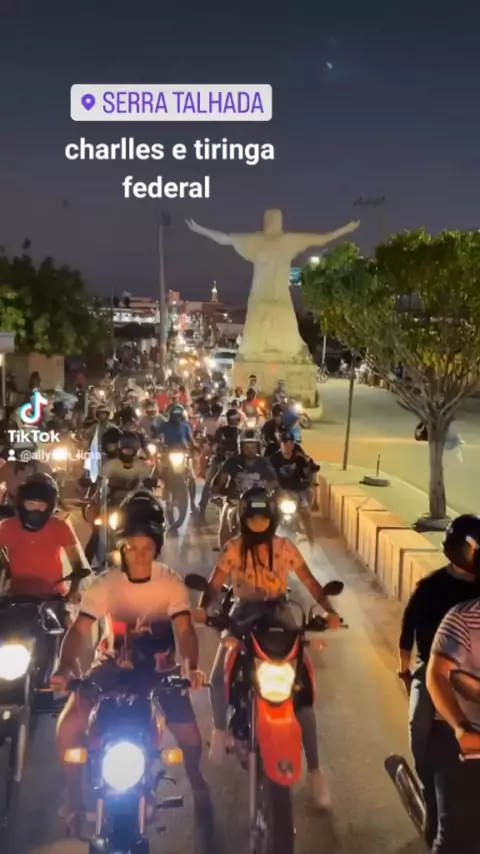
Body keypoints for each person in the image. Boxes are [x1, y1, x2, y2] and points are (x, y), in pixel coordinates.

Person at [51, 491, 208, 826]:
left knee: (192, 739)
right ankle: (73, 796)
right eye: (132, 547)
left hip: (160, 672)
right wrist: (64, 669)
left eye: (147, 547)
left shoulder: (170, 583)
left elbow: (185, 631)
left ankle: (197, 780)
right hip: (110, 668)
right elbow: (79, 631)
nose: (139, 555)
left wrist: (191, 667)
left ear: (157, 547)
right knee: (68, 727)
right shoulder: (104, 584)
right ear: (121, 548)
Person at [198, 486, 340, 808]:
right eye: (253, 518)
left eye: (264, 518)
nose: (258, 523)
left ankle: (315, 772)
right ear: (243, 519)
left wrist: (329, 611)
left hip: (279, 612)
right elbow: (215, 584)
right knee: (219, 674)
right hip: (243, 612)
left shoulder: (285, 547)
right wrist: (201, 608)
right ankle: (220, 730)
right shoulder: (233, 548)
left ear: (273, 519)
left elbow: (309, 581)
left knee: (302, 687)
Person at [398, 514, 480, 848]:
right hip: (432, 666)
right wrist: (404, 670)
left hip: (469, 672)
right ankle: (425, 776)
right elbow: (409, 631)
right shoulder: (433, 589)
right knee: (420, 719)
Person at [425, 515, 480, 854]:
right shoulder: (463, 618)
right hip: (466, 745)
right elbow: (437, 674)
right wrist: (460, 728)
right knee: (454, 840)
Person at [0, 473, 87, 598]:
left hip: (54, 596)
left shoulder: (60, 527)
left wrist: (74, 591)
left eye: (41, 505)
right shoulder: (7, 526)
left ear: (50, 506)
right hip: (17, 597)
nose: (35, 509)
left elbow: (77, 564)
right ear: (21, 504)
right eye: (30, 504)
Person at [269, 431, 319, 543]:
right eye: (285, 443)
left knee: (306, 515)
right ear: (280, 444)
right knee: (268, 513)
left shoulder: (300, 459)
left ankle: (312, 545)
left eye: (290, 443)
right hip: (279, 492)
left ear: (293, 444)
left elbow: (311, 470)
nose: (287, 446)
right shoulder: (273, 459)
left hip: (297, 492)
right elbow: (267, 475)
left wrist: (309, 482)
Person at [198, 408, 241, 520]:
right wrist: (219, 451)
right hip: (219, 460)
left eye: (237, 418)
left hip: (234, 462)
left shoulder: (240, 432)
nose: (236, 420)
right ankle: (202, 509)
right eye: (234, 418)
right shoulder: (221, 431)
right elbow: (214, 444)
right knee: (209, 481)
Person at [212, 428, 278, 498]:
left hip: (259, 501)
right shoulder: (232, 462)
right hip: (235, 501)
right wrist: (219, 490)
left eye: (253, 447)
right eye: (246, 447)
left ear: (258, 447)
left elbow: (275, 484)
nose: (250, 450)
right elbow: (219, 483)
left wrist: (271, 491)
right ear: (240, 447)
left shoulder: (264, 464)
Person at [157, 405, 197, 511]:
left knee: (192, 478)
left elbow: (191, 440)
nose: (177, 417)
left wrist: (196, 445)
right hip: (168, 454)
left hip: (183, 455)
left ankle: (192, 503)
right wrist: (158, 443)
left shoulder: (186, 426)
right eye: (175, 415)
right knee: (159, 474)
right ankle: (159, 495)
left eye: (179, 415)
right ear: (171, 416)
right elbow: (158, 437)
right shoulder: (164, 426)